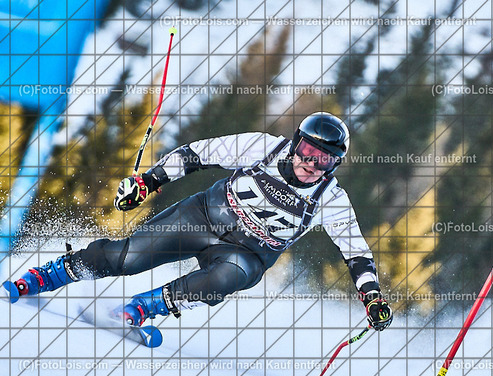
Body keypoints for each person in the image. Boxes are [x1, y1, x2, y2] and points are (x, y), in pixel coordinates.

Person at [4, 112, 393, 331]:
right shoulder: (263, 147)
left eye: (323, 160)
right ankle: (51, 274)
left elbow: (356, 254)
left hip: (247, 253)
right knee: (128, 258)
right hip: (203, 216)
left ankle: (144, 307)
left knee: (224, 278)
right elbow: (197, 154)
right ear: (295, 142)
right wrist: (149, 182)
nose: (311, 164)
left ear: (333, 165)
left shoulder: (331, 199)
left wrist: (372, 296)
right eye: (307, 151)